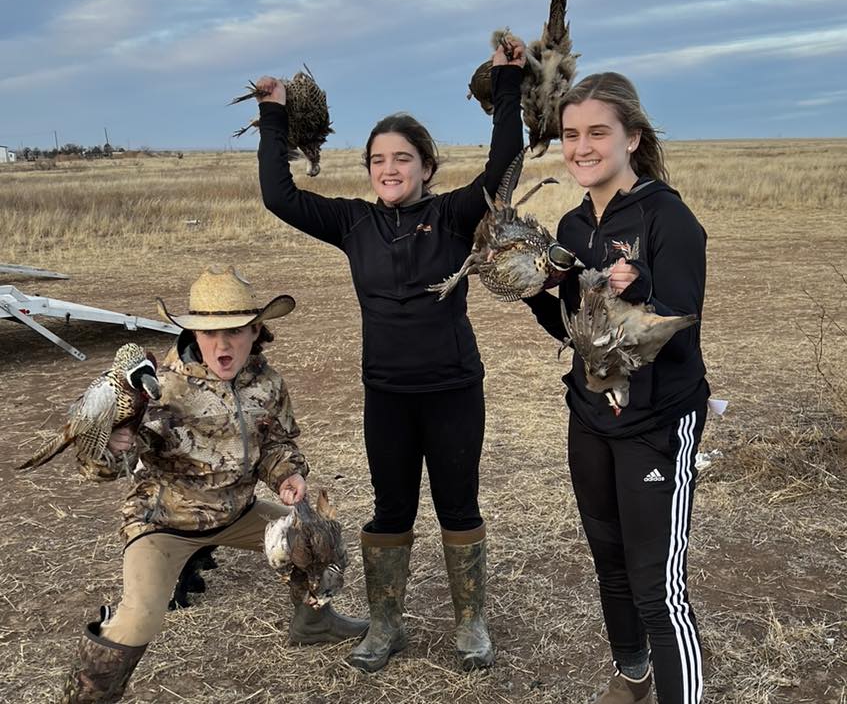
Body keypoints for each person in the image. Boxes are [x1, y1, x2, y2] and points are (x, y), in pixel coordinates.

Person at [254, 42, 526, 672]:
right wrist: (273, 117)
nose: (389, 167)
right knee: (390, 506)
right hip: (388, 394)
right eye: (378, 159)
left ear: (427, 166)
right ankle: (384, 626)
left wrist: (508, 82)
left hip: (454, 387)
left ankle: (471, 624)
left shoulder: (457, 214)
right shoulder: (352, 224)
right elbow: (279, 195)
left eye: (402, 157)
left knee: (459, 505)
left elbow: (505, 163)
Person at [61, 265, 367, 703]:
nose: (221, 344)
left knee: (316, 539)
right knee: (140, 619)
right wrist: (112, 445)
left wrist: (288, 475)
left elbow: (277, 443)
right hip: (164, 523)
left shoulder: (266, 383)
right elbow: (100, 469)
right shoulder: (156, 387)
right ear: (191, 333)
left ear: (256, 330)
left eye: (235, 331)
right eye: (208, 332)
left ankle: (314, 622)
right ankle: (83, 699)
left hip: (236, 513)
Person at [523, 74, 709, 704]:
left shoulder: (668, 218)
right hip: (589, 415)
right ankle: (633, 677)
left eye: (597, 132)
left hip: (657, 422)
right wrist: (535, 294)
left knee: (658, 586)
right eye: (571, 134)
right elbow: (576, 331)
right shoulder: (573, 226)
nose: (581, 147)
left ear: (631, 137)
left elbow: (679, 330)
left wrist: (640, 293)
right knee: (610, 562)